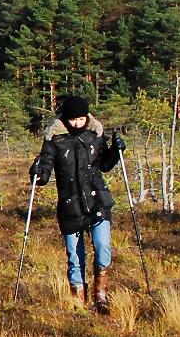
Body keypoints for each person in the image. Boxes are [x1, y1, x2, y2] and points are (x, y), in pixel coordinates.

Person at [31, 95, 125, 312]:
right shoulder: (54, 139)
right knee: (75, 257)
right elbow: (44, 172)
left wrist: (116, 151)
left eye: (80, 118)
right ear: (65, 119)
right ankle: (78, 302)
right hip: (69, 205)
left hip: (98, 201)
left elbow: (104, 165)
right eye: (72, 119)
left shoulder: (95, 134)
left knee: (103, 248)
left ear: (86, 116)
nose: (76, 123)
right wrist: (37, 173)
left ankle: (100, 296)